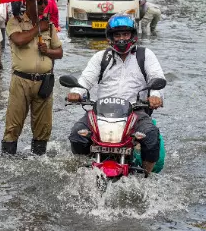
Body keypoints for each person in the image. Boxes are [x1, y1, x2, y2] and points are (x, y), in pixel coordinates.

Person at [67, 13, 165, 176]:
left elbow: (157, 78)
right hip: (101, 112)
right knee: (77, 135)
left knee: (151, 137)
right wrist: (76, 92)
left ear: (133, 35)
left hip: (135, 112)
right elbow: (85, 79)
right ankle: (83, 172)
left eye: (125, 34)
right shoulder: (101, 57)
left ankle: (146, 177)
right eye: (117, 35)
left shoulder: (145, 55)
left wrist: (155, 96)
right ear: (110, 37)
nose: (121, 39)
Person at [2, 0, 63, 155]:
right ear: (27, 2)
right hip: (21, 81)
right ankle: (7, 159)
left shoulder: (49, 27)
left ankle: (38, 158)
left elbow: (59, 52)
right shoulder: (15, 22)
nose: (43, 5)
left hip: (44, 82)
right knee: (13, 124)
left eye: (45, 2)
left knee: (43, 127)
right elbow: (19, 40)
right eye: (38, 1)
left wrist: (48, 51)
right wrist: (38, 28)